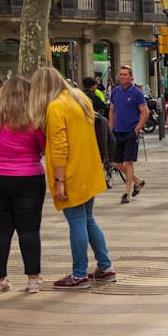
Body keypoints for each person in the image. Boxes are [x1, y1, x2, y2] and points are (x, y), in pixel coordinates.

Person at [29, 66, 114, 290]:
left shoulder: (56, 107)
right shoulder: (80, 99)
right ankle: (105, 267)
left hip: (71, 172)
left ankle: (79, 274)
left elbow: (59, 147)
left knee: (77, 221)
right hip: (89, 167)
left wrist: (59, 182)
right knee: (88, 219)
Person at [0, 76, 45, 295]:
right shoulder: (34, 116)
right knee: (29, 230)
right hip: (28, 178)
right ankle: (33, 280)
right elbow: (44, 145)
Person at [108, 65, 148, 203]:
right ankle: (138, 181)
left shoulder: (137, 93)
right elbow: (112, 110)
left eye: (125, 74)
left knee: (128, 162)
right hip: (117, 131)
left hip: (130, 131)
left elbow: (145, 113)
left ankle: (127, 192)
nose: (122, 77)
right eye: (120, 74)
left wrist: (136, 130)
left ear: (131, 77)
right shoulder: (115, 92)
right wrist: (111, 127)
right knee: (116, 162)